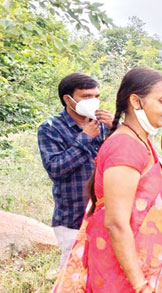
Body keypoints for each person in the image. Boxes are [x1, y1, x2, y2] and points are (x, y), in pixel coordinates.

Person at [52, 67, 162, 292]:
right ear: (136, 102)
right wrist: (140, 285)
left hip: (143, 261)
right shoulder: (125, 147)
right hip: (126, 271)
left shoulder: (139, 141)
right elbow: (116, 223)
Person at [37, 73, 113, 270]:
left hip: (106, 214)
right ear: (67, 99)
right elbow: (55, 169)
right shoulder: (51, 128)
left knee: (103, 272)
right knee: (73, 272)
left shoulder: (103, 125)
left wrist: (118, 129)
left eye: (96, 96)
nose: (93, 101)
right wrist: (85, 138)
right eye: (86, 97)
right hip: (73, 216)